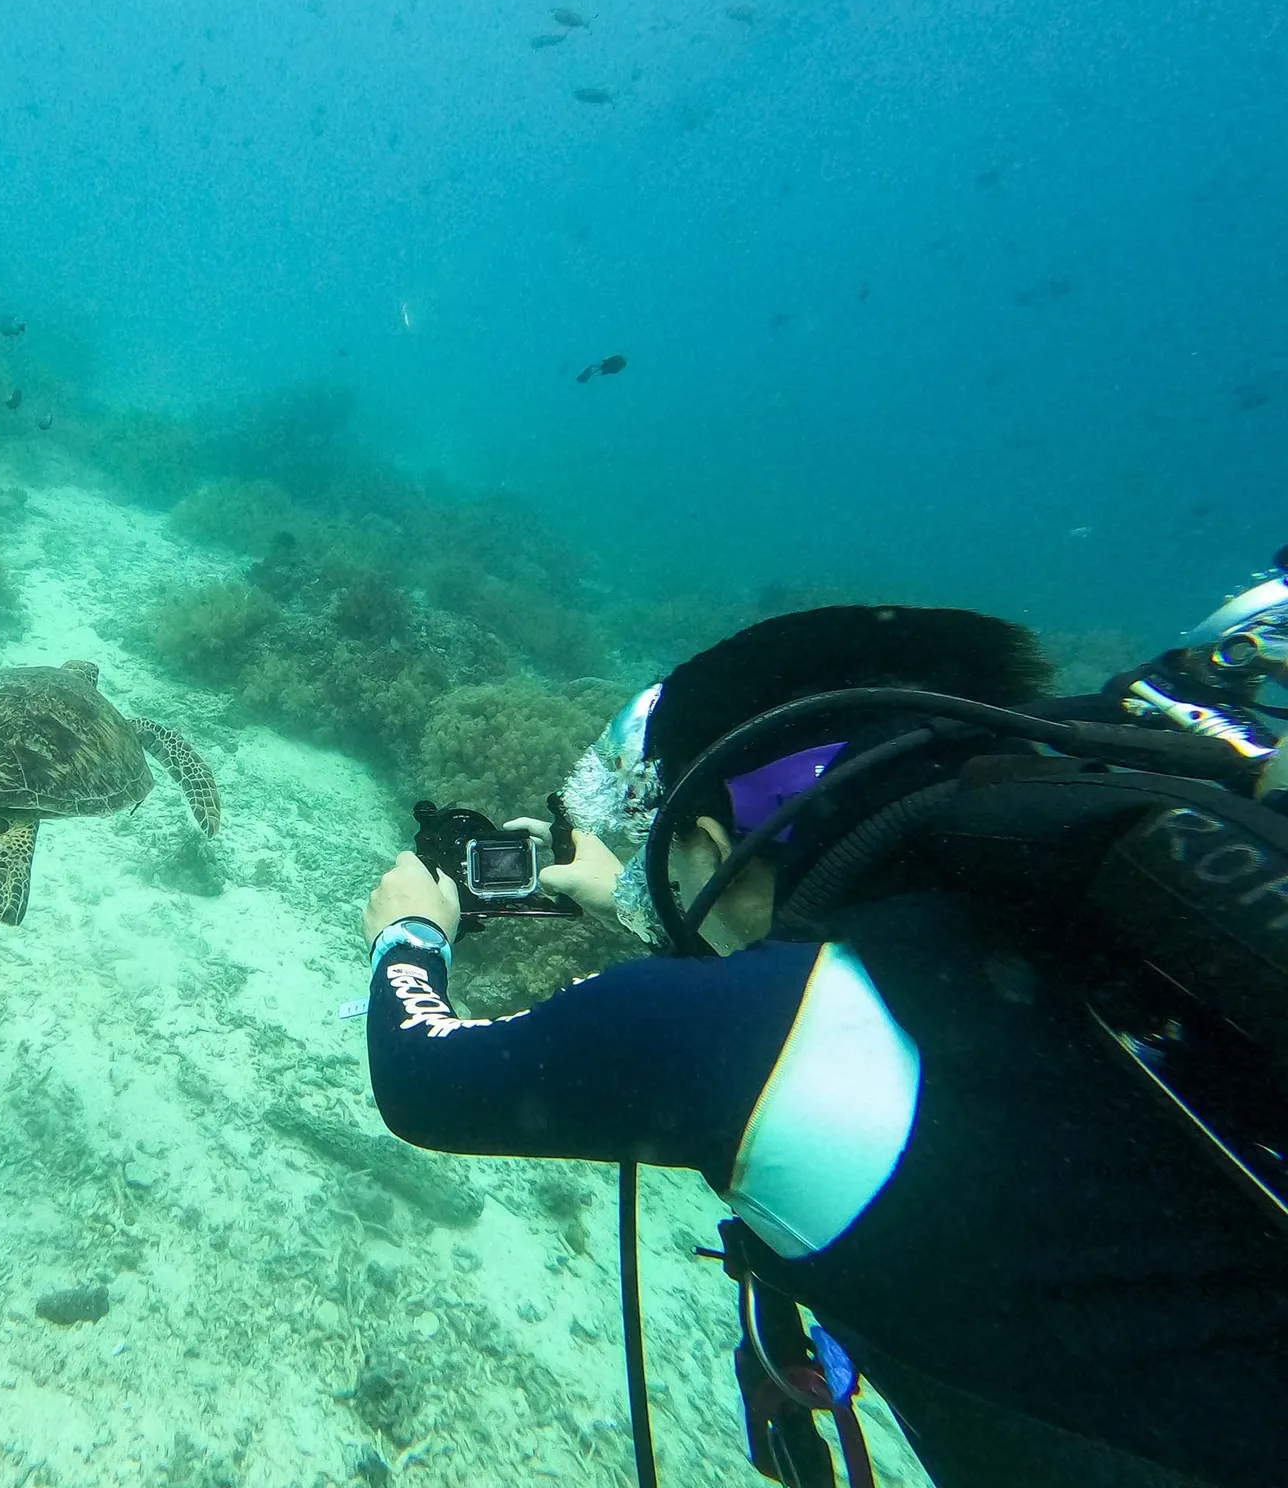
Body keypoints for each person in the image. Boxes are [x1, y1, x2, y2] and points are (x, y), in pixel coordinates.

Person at [360, 603, 1288, 1488]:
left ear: (714, 838)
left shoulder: (738, 1034)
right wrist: (642, 893)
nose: (654, 880)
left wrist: (410, 933)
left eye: (664, 858)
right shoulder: (1046, 914)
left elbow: (425, 1081)